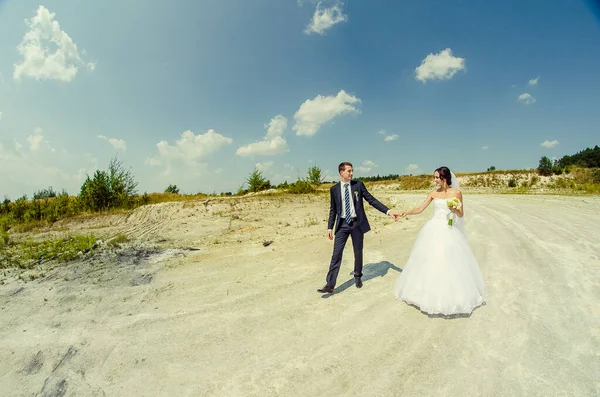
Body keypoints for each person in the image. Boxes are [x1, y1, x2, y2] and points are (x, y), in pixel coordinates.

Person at [394, 166, 486, 315]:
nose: (435, 180)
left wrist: (454, 208)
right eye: (434, 177)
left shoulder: (456, 193)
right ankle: (426, 293)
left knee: (448, 260)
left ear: (445, 178)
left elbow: (461, 214)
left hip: (449, 230)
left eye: (437, 177)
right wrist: (406, 212)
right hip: (432, 229)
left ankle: (450, 296)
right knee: (429, 260)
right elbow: (420, 208)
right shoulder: (432, 193)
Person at [318, 161, 400, 294]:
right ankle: (330, 284)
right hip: (342, 225)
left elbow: (371, 200)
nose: (351, 173)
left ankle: (358, 276)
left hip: (357, 224)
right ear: (341, 172)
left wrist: (388, 212)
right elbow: (333, 209)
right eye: (349, 171)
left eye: (352, 171)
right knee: (336, 254)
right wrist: (329, 227)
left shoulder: (358, 185)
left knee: (358, 251)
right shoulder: (334, 189)